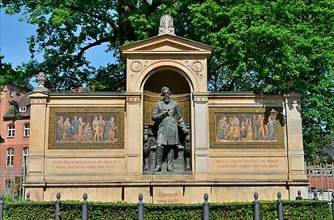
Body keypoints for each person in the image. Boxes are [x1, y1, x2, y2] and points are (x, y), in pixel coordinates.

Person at [152, 86, 189, 172]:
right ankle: (158, 166)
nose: (166, 95)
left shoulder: (175, 104)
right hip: (162, 128)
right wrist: (161, 114)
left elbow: (180, 118)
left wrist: (184, 128)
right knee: (159, 146)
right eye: (164, 94)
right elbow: (153, 117)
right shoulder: (158, 104)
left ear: (170, 94)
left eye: (168, 93)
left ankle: (170, 166)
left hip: (172, 128)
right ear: (162, 95)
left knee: (171, 147)